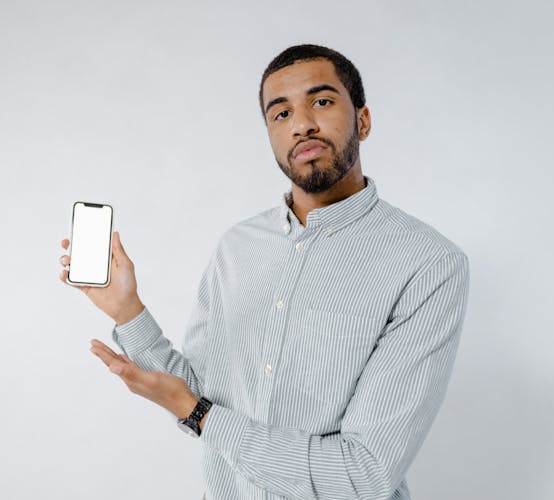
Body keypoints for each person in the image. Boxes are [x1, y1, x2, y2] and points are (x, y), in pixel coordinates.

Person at [59, 44, 470, 500]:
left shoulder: (428, 263)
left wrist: (196, 412)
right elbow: (202, 399)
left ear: (364, 120)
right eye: (280, 113)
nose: (301, 124)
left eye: (322, 101)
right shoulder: (238, 247)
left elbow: (361, 476)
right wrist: (128, 311)